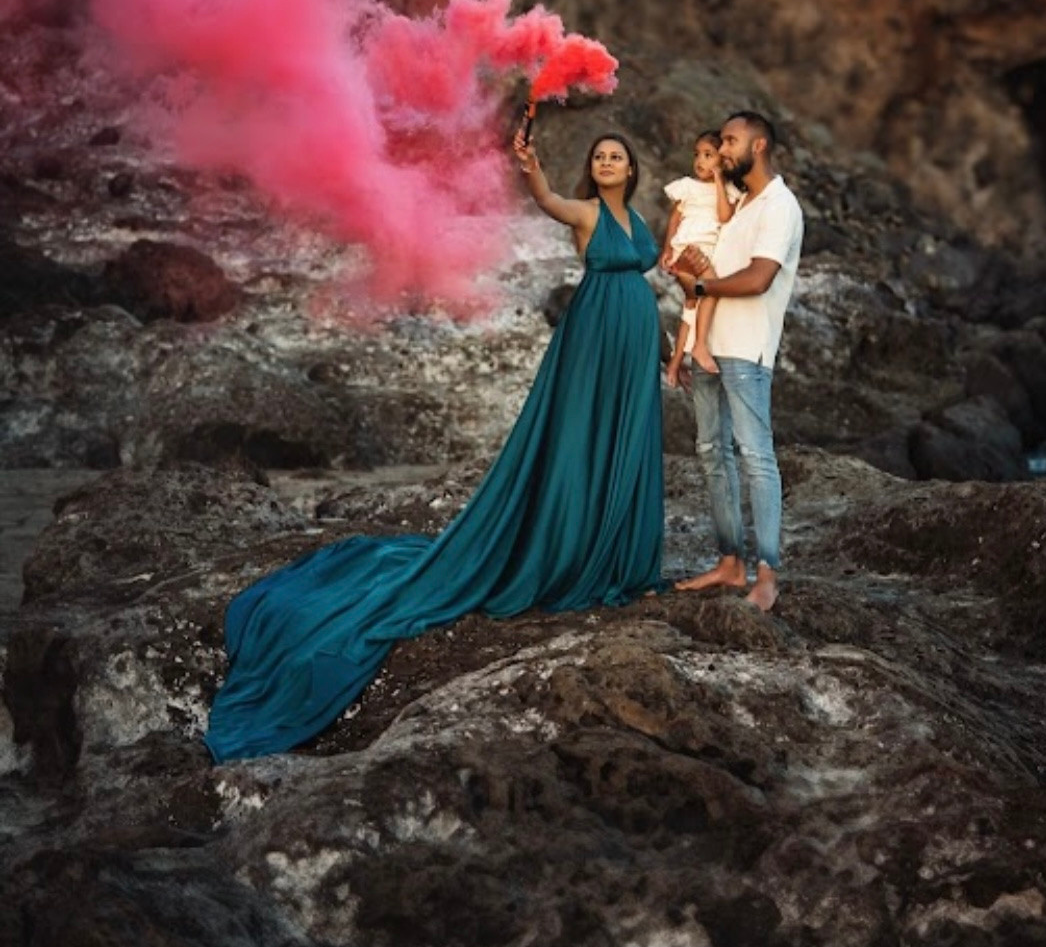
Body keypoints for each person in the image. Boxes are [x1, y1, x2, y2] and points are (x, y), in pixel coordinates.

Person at [204, 106, 664, 763]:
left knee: (624, 444)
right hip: (594, 338)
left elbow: (655, 265)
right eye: (599, 158)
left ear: (632, 167)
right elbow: (547, 199)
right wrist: (529, 166)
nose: (606, 164)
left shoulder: (638, 220)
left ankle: (611, 543)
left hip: (633, 338)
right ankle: (569, 544)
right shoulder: (585, 214)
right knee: (576, 443)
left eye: (615, 158)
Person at [671, 109, 803, 614]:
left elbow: (758, 278)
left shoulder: (779, 206)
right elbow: (711, 269)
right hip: (708, 345)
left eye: (730, 141)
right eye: (721, 141)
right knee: (710, 452)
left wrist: (702, 283)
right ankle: (731, 563)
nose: (723, 150)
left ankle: (767, 573)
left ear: (760, 144)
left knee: (755, 456)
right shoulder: (739, 205)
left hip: (746, 348)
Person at [659, 130, 737, 386]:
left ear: (722, 161)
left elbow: (725, 216)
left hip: (706, 255)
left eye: (708, 155)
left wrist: (718, 182)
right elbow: (675, 218)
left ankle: (674, 364)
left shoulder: (726, 190)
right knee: (712, 288)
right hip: (687, 249)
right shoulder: (687, 187)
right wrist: (668, 249)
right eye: (697, 155)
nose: (700, 161)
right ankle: (701, 345)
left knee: (691, 305)